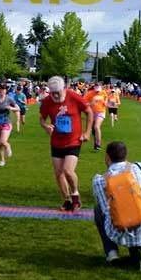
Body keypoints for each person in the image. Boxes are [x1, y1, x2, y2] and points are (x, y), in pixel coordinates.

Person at [92, 140, 141, 270]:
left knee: (98, 210)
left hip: (118, 232)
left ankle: (112, 254)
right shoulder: (138, 168)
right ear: (126, 155)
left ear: (107, 157)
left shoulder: (99, 180)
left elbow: (106, 211)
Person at [39, 75, 93, 211]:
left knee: (68, 171)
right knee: (58, 173)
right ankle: (67, 200)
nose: (56, 95)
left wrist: (87, 132)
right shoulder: (47, 102)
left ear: (64, 88)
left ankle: (75, 194)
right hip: (56, 141)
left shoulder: (73, 97)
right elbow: (42, 118)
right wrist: (45, 126)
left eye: (58, 92)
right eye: (53, 93)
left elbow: (89, 112)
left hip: (74, 140)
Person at [0, 83, 20, 166]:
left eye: (4, 89)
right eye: (1, 89)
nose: (2, 91)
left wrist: (11, 108)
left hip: (6, 122)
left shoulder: (9, 99)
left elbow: (18, 108)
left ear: (6, 90)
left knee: (2, 141)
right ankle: (2, 160)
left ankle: (8, 146)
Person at [87, 82, 108, 150]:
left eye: (99, 90)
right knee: (94, 130)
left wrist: (106, 102)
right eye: (96, 90)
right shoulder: (90, 93)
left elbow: (106, 98)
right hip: (92, 113)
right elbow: (84, 103)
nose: (98, 92)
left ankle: (98, 144)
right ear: (94, 88)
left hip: (101, 112)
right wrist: (91, 103)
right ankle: (96, 143)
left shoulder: (103, 92)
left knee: (96, 127)